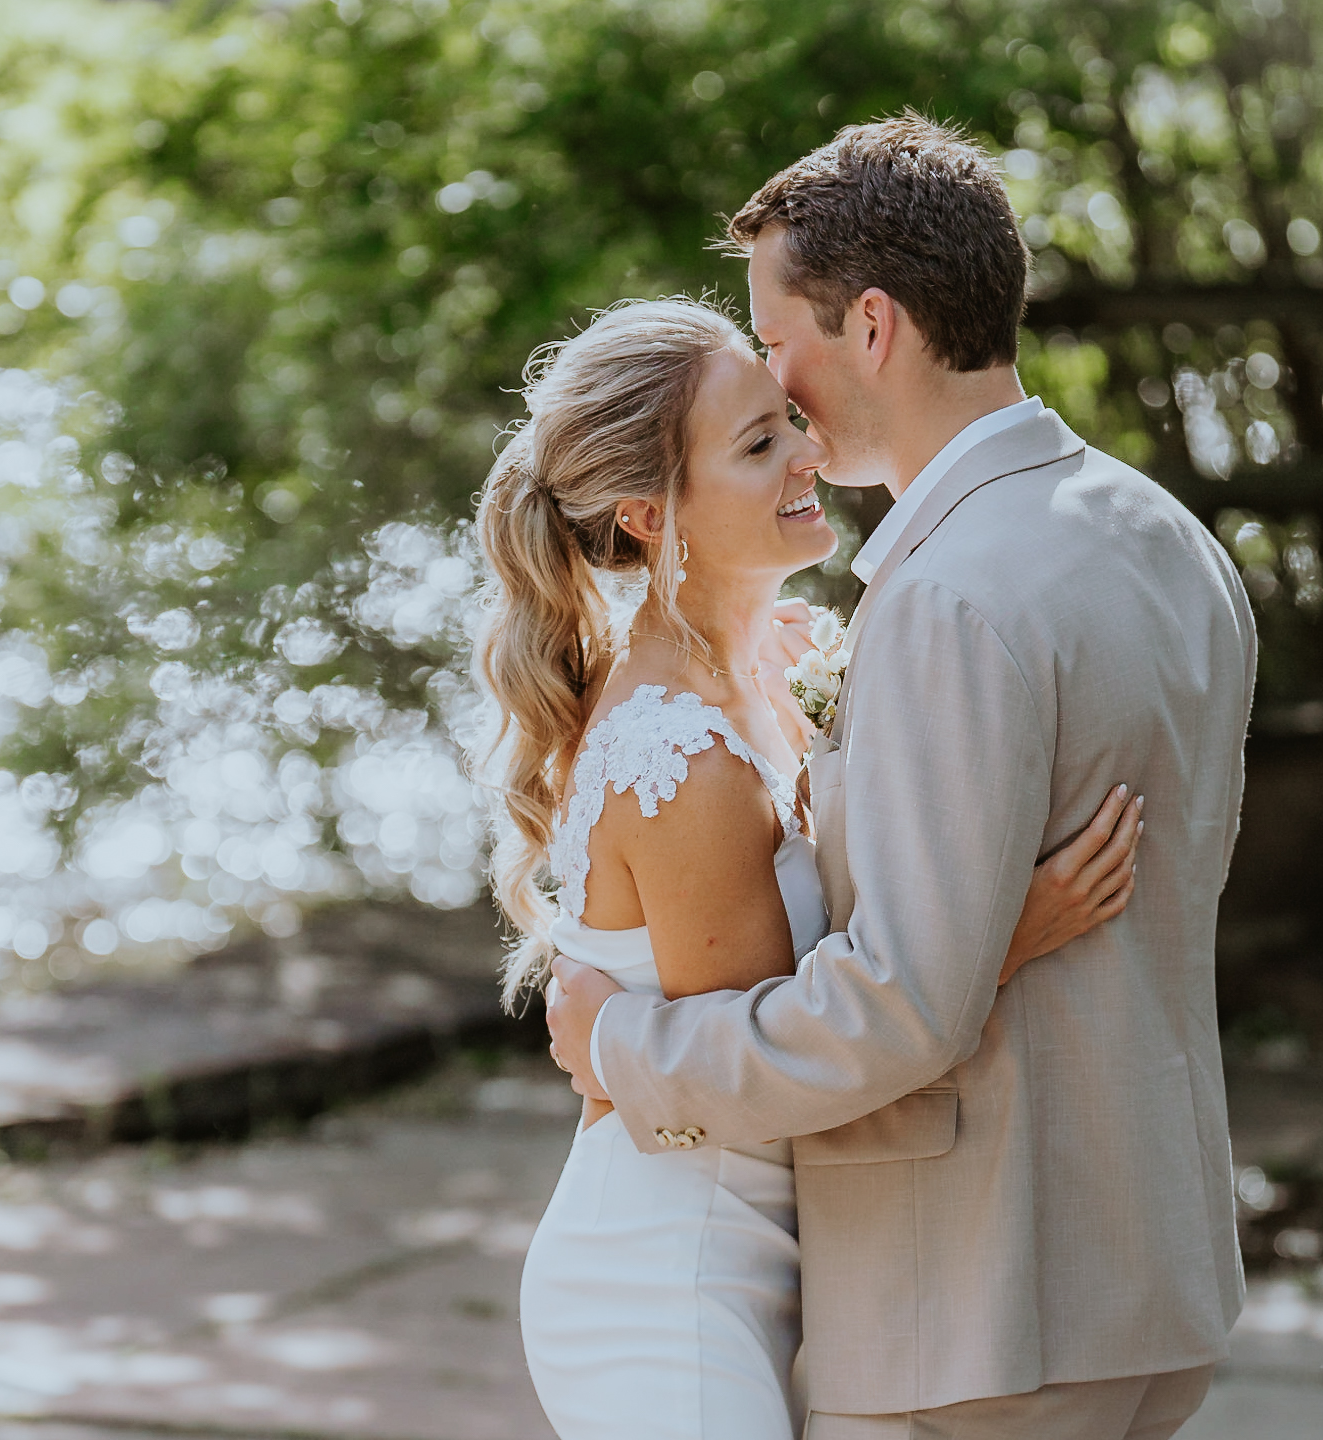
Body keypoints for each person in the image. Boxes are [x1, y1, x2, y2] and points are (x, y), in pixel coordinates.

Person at [545, 115, 1257, 1440]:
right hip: (1150, 1279)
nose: (776, 374)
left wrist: (618, 1041)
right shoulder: (1166, 540)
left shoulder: (948, 595)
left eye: (778, 337)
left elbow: (902, 1008)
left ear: (870, 327)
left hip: (976, 1308)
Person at [476, 294, 1143, 1440]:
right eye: (757, 445)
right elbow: (760, 1071)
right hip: (673, 1286)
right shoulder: (675, 755)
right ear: (647, 514)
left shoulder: (765, 676)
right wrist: (993, 932)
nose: (808, 451)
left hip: (787, 1258)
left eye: (787, 417)